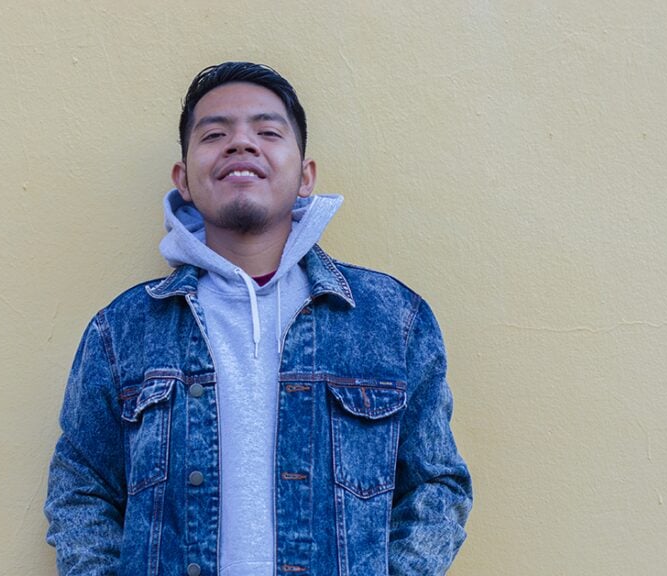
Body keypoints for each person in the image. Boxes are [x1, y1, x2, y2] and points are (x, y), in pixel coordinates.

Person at [44, 61, 472, 576]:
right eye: (215, 134)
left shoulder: (392, 320)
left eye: (267, 132)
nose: (241, 144)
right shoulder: (122, 331)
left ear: (305, 176)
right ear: (183, 179)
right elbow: (81, 487)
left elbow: (436, 486)